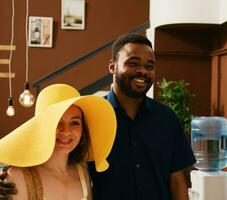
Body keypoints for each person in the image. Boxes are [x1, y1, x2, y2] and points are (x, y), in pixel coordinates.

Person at [0, 33, 196, 200]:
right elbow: (58, 155)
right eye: (133, 63)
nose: (142, 71)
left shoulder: (167, 119)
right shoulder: (91, 120)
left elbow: (177, 179)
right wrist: (9, 175)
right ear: (112, 66)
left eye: (150, 66)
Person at [0, 84, 117, 200]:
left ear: (83, 130)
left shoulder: (83, 173)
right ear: (40, 127)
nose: (66, 131)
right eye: (57, 122)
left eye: (74, 123)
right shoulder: (18, 177)